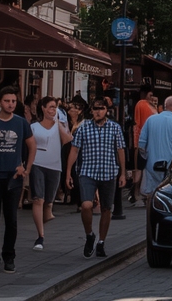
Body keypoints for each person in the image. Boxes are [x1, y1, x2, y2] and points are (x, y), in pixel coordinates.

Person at [0, 84, 34, 274]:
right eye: (7, 101)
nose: (11, 104)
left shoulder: (20, 122)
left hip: (14, 177)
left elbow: (32, 146)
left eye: (13, 101)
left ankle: (9, 257)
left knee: (11, 219)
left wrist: (26, 168)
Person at [65, 96, 125, 258]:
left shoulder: (114, 128)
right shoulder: (83, 128)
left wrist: (123, 173)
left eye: (101, 108)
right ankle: (89, 234)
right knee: (86, 205)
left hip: (108, 172)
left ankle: (101, 242)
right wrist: (68, 172)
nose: (98, 112)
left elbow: (120, 150)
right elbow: (74, 150)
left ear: (106, 110)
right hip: (87, 172)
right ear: (91, 111)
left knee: (106, 208)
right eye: (95, 108)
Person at [29, 96, 71, 249]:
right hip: (37, 163)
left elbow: (67, 139)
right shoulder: (34, 127)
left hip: (55, 166)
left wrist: (58, 124)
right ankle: (40, 236)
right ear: (43, 108)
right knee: (38, 199)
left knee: (48, 204)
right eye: (51, 107)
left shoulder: (59, 125)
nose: (53, 110)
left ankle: (40, 223)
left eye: (55, 107)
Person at [136, 96, 172, 201]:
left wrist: (146, 158)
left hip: (151, 166)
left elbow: (141, 145)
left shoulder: (150, 120)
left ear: (165, 106)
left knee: (151, 196)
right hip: (170, 166)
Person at [129, 85, 156, 203]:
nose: (152, 98)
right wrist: (136, 143)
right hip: (143, 142)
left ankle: (139, 192)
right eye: (150, 95)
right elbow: (138, 124)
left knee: (142, 168)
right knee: (140, 168)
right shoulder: (142, 104)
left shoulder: (148, 106)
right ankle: (136, 192)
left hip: (147, 141)